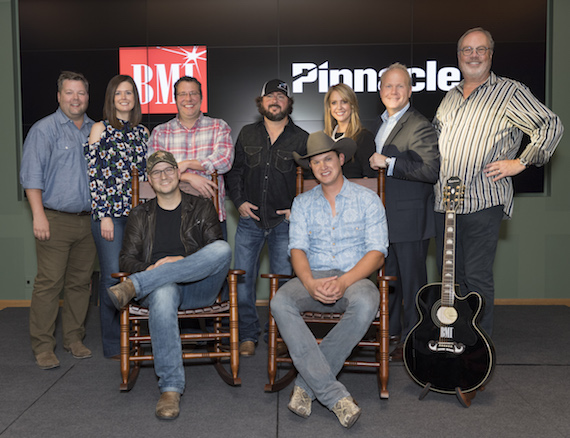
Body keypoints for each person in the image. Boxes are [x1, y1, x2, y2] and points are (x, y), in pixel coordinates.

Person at [433, 27, 563, 336]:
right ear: (458, 56)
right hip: (445, 205)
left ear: (491, 54)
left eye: (480, 50)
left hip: (483, 200)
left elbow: (550, 124)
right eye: (467, 50)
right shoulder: (449, 98)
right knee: (450, 282)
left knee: (476, 278)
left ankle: (477, 352)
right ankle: (452, 343)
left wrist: (521, 162)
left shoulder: (510, 92)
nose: (473, 55)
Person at [270, 131, 388, 428]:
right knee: (280, 301)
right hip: (314, 275)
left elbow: (377, 254)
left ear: (341, 159)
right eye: (316, 162)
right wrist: (309, 283)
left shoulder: (368, 199)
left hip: (354, 276)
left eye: (328, 159)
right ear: (310, 167)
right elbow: (296, 250)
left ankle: (306, 387)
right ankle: (335, 395)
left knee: (367, 301)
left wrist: (345, 281)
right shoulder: (302, 203)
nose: (323, 166)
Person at [107, 150, 231, 420]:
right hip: (160, 287)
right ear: (150, 180)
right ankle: (171, 389)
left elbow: (214, 252)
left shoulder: (202, 206)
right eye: (156, 172)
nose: (163, 175)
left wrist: (178, 261)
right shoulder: (140, 214)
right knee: (163, 293)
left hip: (199, 287)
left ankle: (136, 286)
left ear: (178, 173)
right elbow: (126, 258)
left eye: (168, 170)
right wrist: (151, 269)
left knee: (222, 248)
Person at [225, 79, 308, 356]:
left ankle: (279, 334)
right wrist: (239, 202)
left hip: (285, 225)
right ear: (261, 103)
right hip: (250, 221)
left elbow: (313, 181)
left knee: (285, 283)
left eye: (281, 96)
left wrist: (298, 208)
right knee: (244, 280)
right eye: (270, 96)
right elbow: (234, 172)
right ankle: (248, 334)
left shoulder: (302, 138)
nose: (275, 100)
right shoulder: (247, 133)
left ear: (289, 103)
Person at [20, 71, 96, 369]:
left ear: (87, 97)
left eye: (81, 93)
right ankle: (43, 345)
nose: (75, 98)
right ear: (59, 96)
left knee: (80, 284)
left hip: (88, 221)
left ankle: (74, 339)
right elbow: (31, 176)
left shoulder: (96, 129)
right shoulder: (44, 129)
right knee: (49, 283)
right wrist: (38, 215)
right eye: (69, 92)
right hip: (54, 219)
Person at [369, 63, 440, 361]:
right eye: (388, 86)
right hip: (383, 221)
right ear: (380, 90)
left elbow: (430, 169)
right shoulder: (378, 124)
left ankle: (415, 342)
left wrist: (390, 163)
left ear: (410, 90)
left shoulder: (419, 124)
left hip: (410, 221)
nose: (394, 91)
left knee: (412, 285)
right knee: (390, 283)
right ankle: (392, 334)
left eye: (400, 86)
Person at [84, 74, 149, 359]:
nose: (124, 97)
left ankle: (135, 336)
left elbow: (148, 179)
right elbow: (95, 176)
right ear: (111, 98)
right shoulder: (100, 129)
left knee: (136, 276)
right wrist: (104, 215)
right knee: (112, 278)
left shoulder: (143, 133)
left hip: (139, 218)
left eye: (129, 93)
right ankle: (113, 344)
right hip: (110, 216)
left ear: (135, 99)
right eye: (118, 93)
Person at [147, 76, 233, 236]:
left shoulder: (218, 126)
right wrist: (187, 177)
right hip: (171, 219)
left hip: (211, 218)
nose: (188, 99)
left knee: (216, 261)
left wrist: (187, 164)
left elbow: (224, 161)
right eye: (182, 94)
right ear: (175, 99)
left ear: (201, 97)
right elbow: (155, 170)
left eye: (193, 93)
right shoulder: (161, 132)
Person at [324, 83, 376, 178]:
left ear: (352, 105)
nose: (339, 107)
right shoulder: (324, 139)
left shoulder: (363, 137)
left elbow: (369, 178)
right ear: (329, 108)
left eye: (344, 101)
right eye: (334, 103)